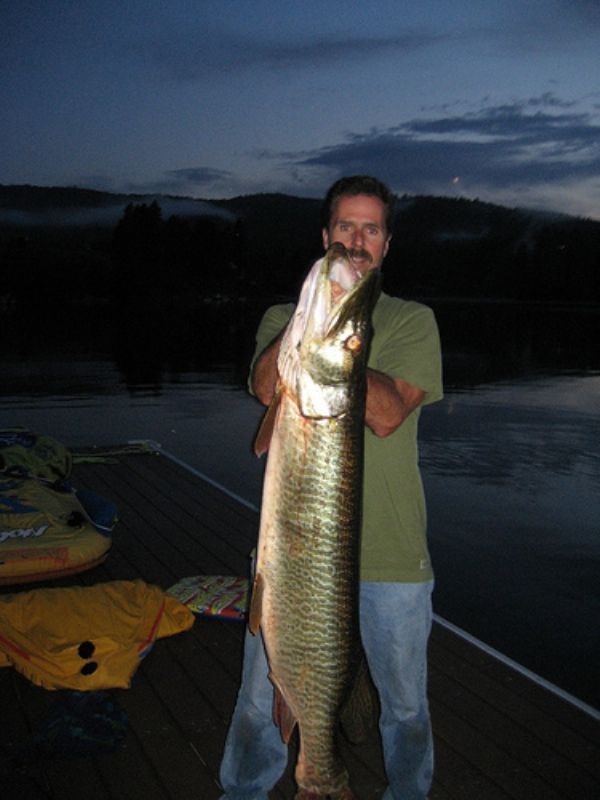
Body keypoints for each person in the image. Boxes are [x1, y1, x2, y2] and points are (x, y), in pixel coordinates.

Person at [219, 175, 443, 800]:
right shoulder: (285, 317)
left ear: (387, 244)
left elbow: (389, 410)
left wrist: (342, 343)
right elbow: (268, 388)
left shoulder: (411, 322)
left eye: (371, 229)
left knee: (405, 707)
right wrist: (310, 325)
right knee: (260, 696)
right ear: (325, 237)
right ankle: (248, 790)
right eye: (346, 227)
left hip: (394, 558)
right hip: (292, 561)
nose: (357, 240)